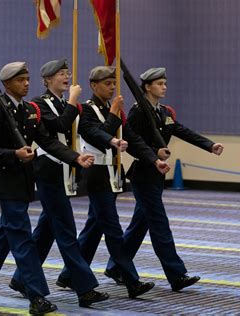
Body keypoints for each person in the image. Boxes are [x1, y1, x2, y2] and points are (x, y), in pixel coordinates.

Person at [0, 62, 95, 314]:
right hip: (6, 183)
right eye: (20, 80)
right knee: (22, 238)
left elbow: (46, 140)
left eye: (27, 78)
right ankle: (36, 296)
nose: (26, 83)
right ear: (7, 84)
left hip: (23, 182)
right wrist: (15, 153)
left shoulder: (28, 110)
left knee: (5, 235)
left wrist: (75, 157)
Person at [105, 67, 224, 291]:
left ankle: (115, 267)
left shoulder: (164, 112)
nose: (164, 87)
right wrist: (153, 154)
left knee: (139, 226)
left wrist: (209, 145)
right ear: (147, 87)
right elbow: (132, 143)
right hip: (144, 175)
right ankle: (176, 274)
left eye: (165, 83)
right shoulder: (139, 111)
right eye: (159, 83)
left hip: (157, 176)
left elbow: (182, 131)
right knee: (160, 225)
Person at [56, 66, 170, 298]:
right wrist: (114, 118)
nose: (111, 88)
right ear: (94, 86)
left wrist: (153, 159)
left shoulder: (112, 108)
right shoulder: (85, 109)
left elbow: (133, 138)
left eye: (112, 84)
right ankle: (131, 280)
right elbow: (96, 136)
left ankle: (69, 275)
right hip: (96, 174)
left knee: (95, 226)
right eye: (107, 84)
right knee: (113, 228)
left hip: (112, 171)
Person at [7, 59, 110, 307]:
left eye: (68, 72)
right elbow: (60, 126)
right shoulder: (40, 104)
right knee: (66, 229)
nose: (66, 76)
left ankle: (21, 279)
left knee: (48, 228)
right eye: (61, 73)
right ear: (48, 80)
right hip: (49, 170)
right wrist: (74, 101)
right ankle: (84, 288)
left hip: (66, 167)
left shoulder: (64, 103)